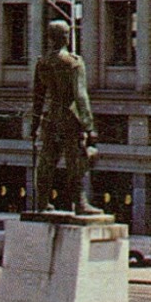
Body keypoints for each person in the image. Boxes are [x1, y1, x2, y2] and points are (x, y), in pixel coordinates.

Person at [31, 19, 99, 214]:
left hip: (50, 117)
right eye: (67, 34)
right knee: (74, 161)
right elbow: (81, 96)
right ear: (65, 37)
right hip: (69, 117)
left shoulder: (42, 63)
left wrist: (34, 125)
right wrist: (88, 127)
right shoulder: (73, 62)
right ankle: (80, 203)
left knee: (47, 161)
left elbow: (38, 97)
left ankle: (42, 203)